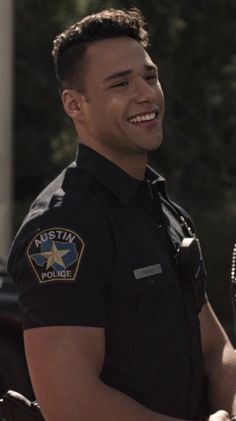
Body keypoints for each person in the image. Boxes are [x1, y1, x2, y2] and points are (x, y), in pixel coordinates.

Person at [7, 8, 236, 421]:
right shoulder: (62, 227)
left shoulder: (164, 209)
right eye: (121, 83)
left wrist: (227, 410)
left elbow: (215, 348)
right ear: (74, 104)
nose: (146, 94)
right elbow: (70, 402)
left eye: (149, 77)